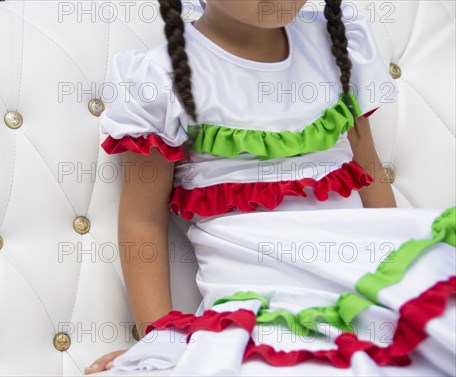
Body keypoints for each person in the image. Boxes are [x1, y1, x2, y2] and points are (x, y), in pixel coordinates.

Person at [83, 0, 456, 375]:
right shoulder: (158, 79)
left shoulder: (336, 44)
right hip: (254, 293)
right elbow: (142, 220)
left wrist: (399, 275)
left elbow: (369, 171)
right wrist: (159, 337)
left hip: (357, 267)